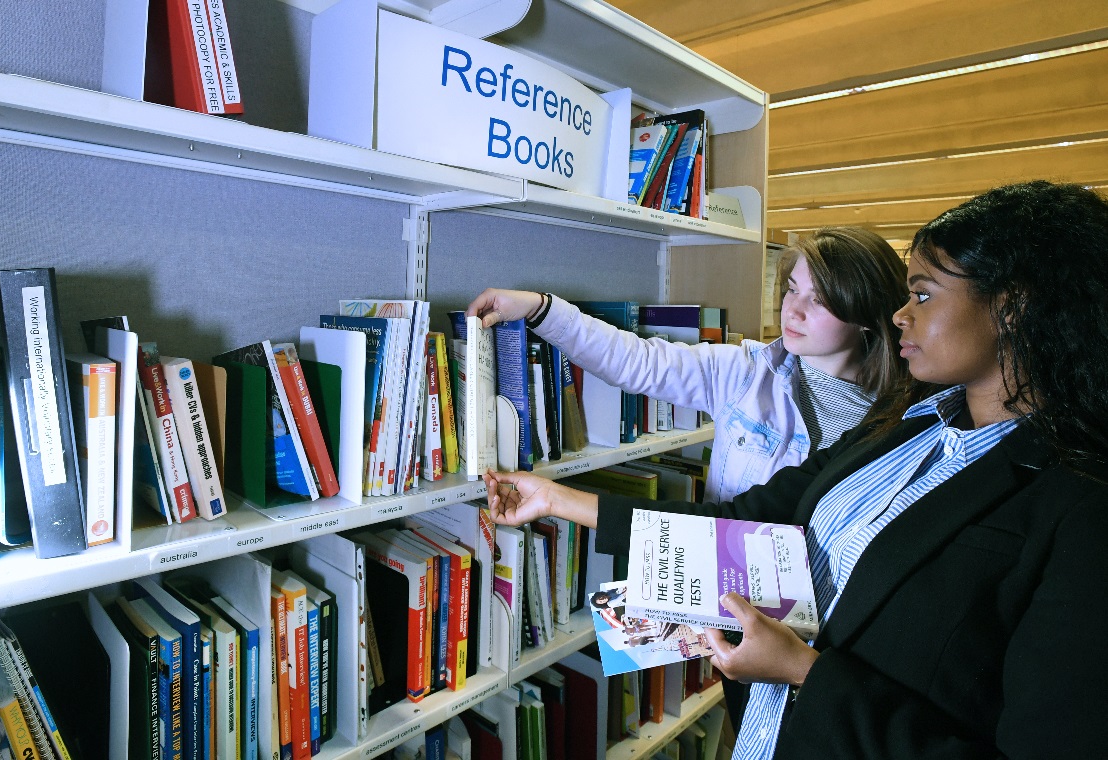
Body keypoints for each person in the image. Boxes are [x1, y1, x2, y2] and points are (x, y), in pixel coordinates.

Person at [482, 180, 1108, 758]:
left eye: (922, 294)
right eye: (791, 290)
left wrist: (806, 673)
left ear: (1013, 308)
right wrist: (556, 498)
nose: (902, 314)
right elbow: (746, 518)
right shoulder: (905, 426)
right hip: (762, 718)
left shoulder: (1075, 508)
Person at [468, 226, 908, 728]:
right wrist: (540, 309)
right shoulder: (747, 373)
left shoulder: (896, 428)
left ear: (868, 318)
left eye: (821, 300)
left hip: (831, 644)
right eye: (791, 290)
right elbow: (635, 362)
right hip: (738, 628)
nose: (794, 310)